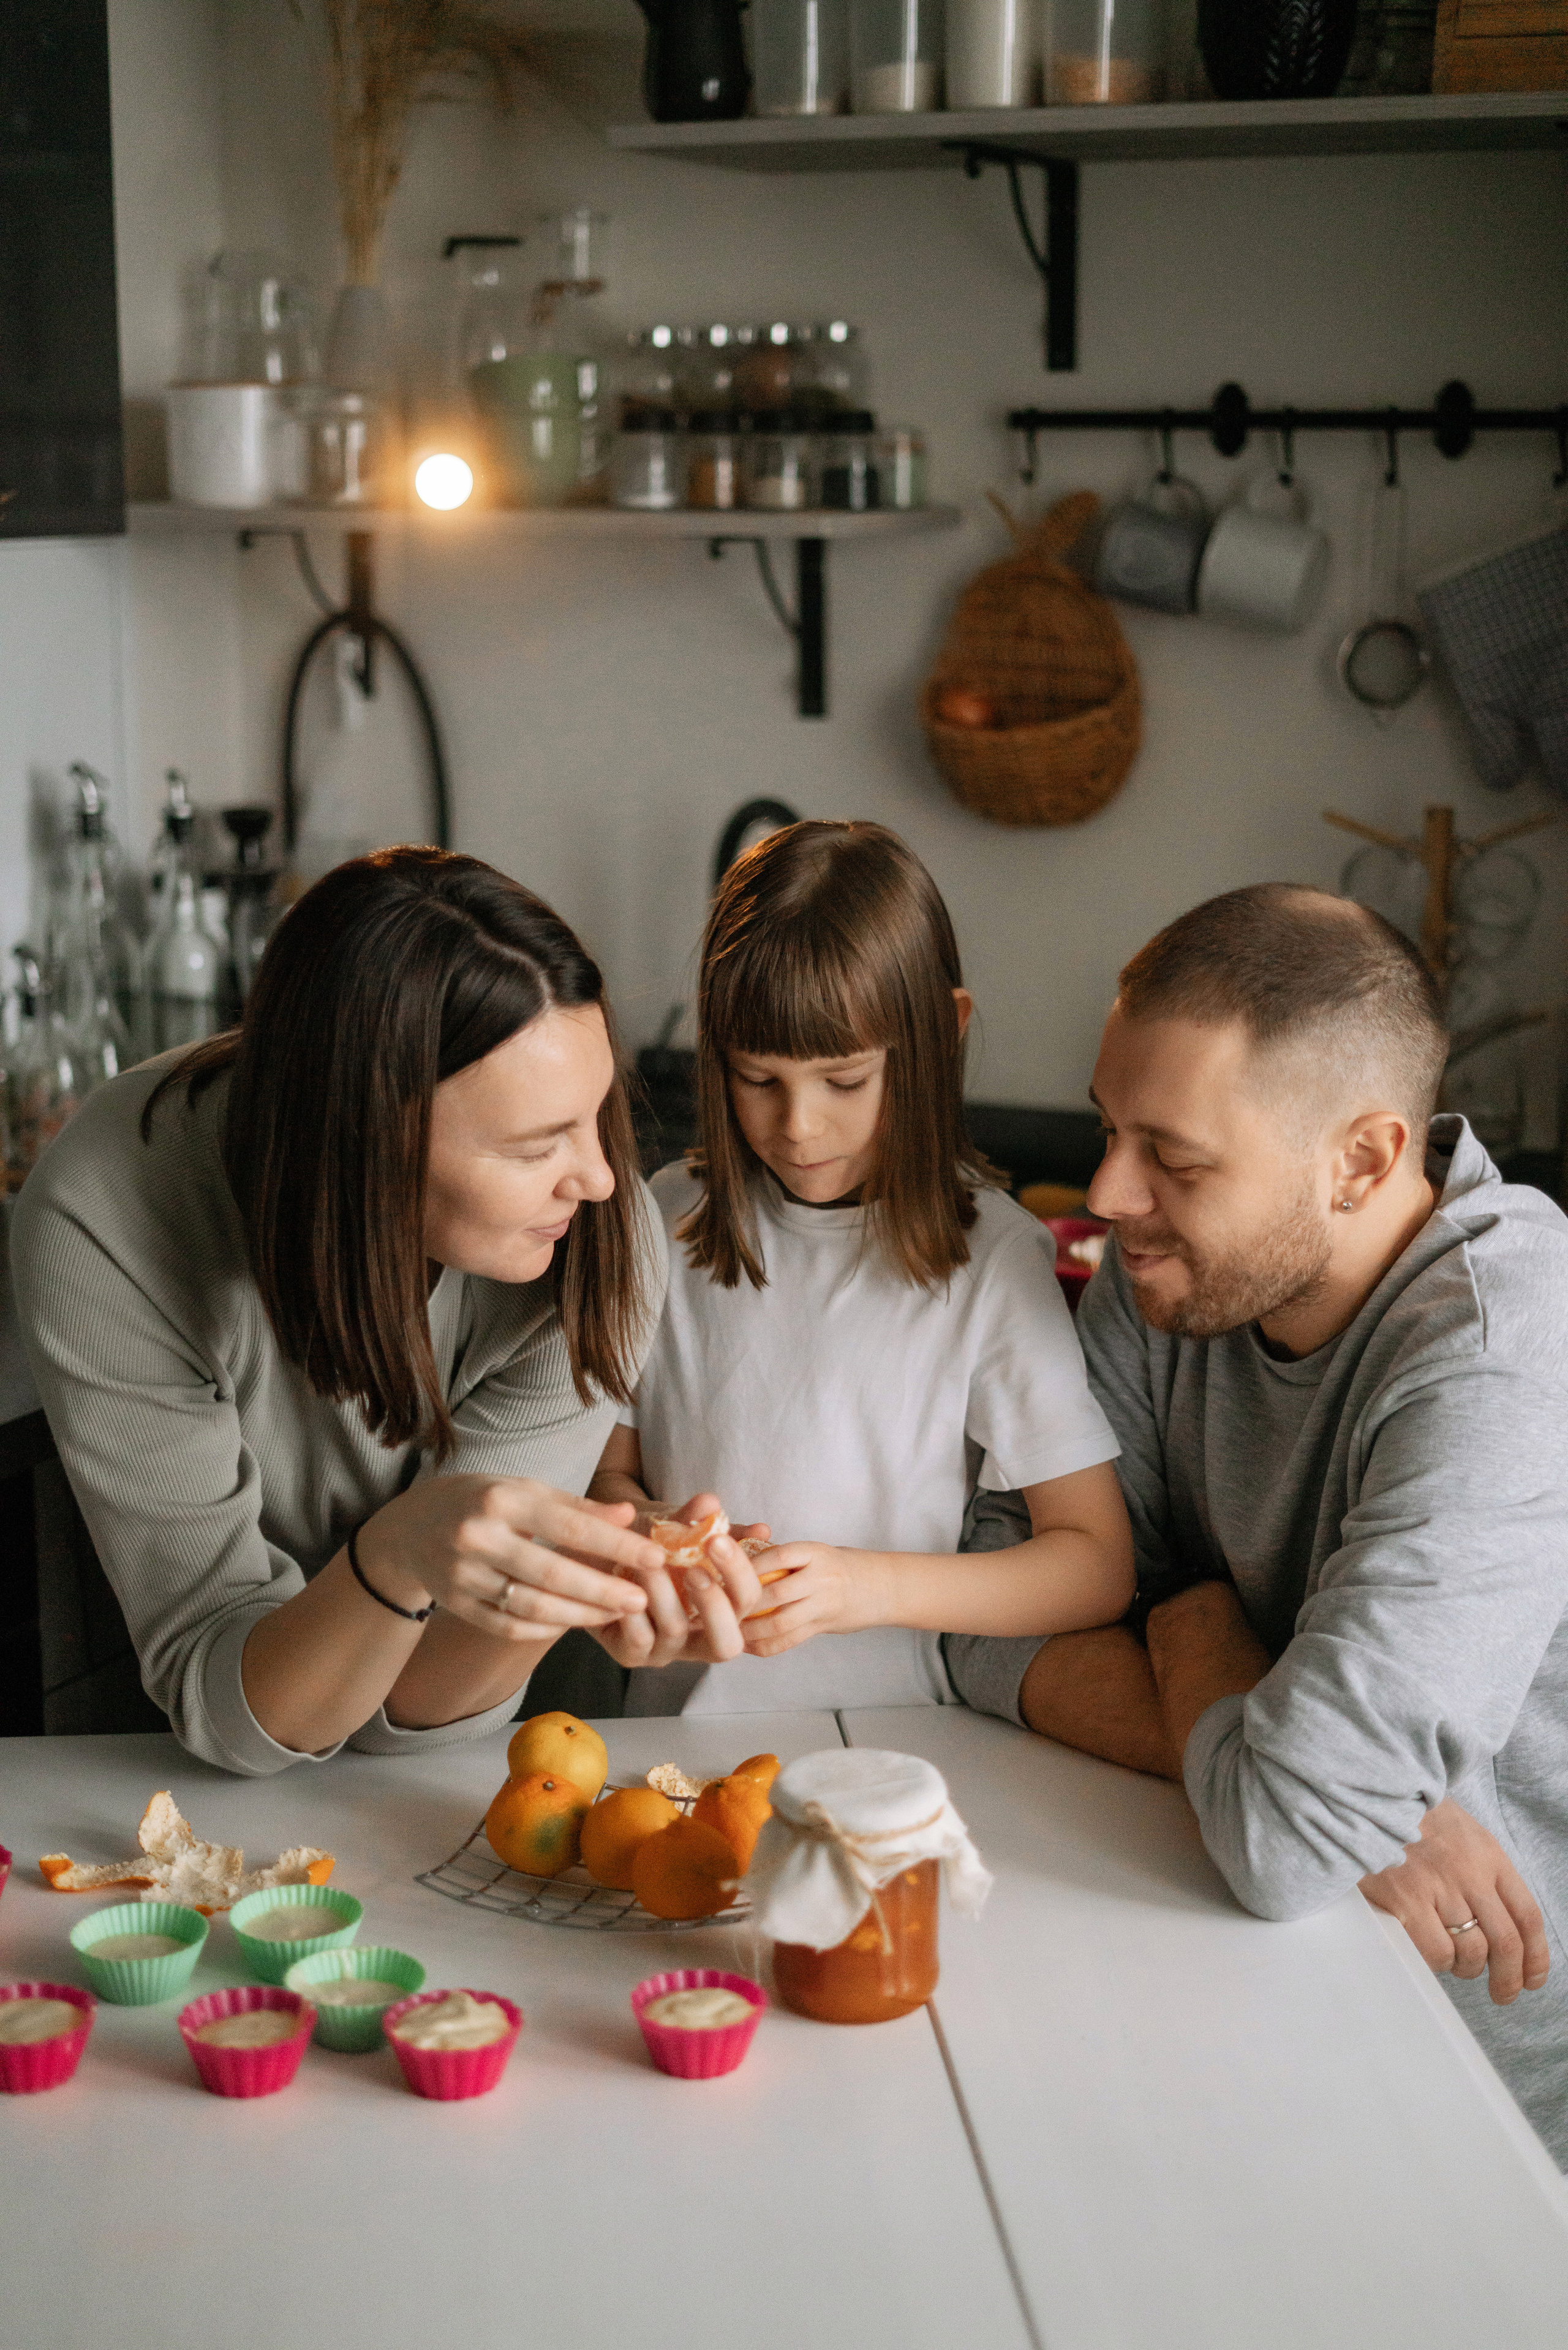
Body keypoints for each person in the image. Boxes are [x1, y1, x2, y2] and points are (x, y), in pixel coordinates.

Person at [948, 883, 1568, 2165]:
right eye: (1105, 1126)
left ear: (1356, 1158)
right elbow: (974, 1609)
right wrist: (1260, 1711)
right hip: (1229, 1972)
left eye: (1171, 1155)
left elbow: (1288, 1838)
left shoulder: (1496, 1347)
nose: (1112, 1193)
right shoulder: (1166, 1267)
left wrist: (1173, 1618)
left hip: (1486, 2066)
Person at [12, 848, 760, 1776]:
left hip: (451, 1772)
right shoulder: (108, 1220)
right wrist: (404, 1551)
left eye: (596, 1113)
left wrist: (575, 1581)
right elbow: (234, 1710)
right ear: (369, 1146)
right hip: (179, 1776)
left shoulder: (598, 1243)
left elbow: (415, 1718)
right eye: (536, 1147)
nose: (603, 1178)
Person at [587, 819, 1135, 1715]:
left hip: (897, 1749)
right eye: (757, 1078)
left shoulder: (993, 1260)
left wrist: (867, 1588)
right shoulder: (664, 1216)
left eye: (843, 1081)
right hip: (668, 1747)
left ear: (940, 1035)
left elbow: (1094, 1564)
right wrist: (660, 1535)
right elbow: (609, 1477)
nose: (797, 1125)